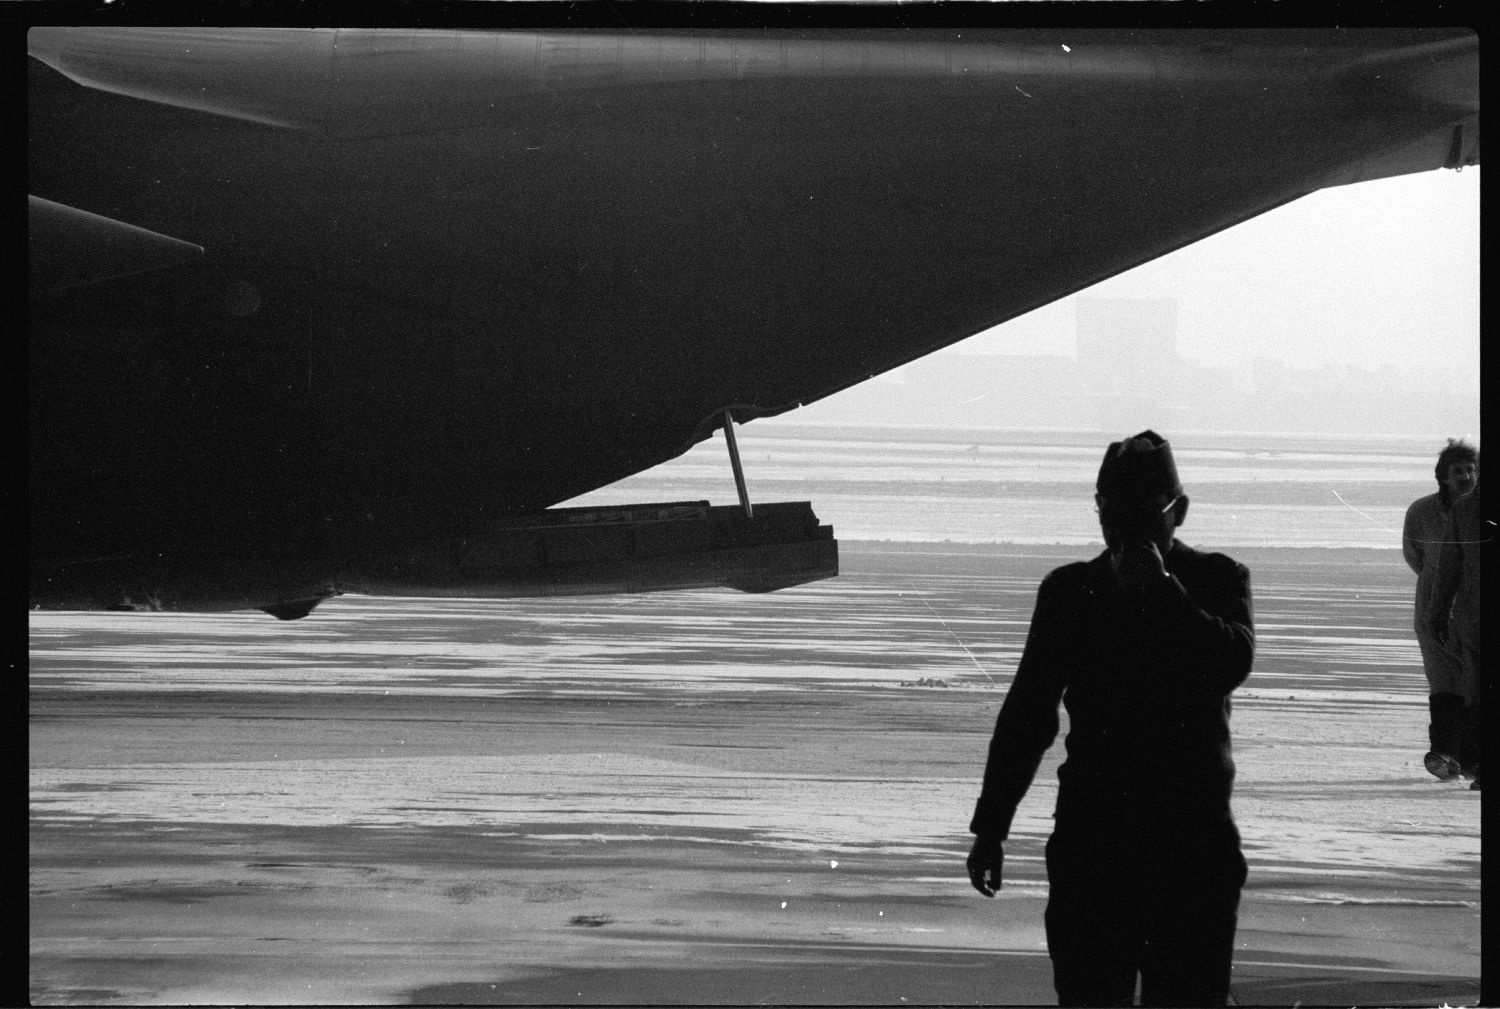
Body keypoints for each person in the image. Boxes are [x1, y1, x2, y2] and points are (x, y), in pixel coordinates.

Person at [966, 430, 1253, 1007]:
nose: (1122, 532)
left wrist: (1161, 591)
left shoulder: (1218, 580)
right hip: (1095, 846)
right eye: (1110, 515)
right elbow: (1027, 714)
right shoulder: (1070, 592)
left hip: (1189, 846)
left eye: (1141, 517)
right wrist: (991, 826)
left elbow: (1229, 663)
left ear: (1180, 514)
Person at [1401, 439, 1479, 780]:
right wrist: (1437, 593)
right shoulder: (1421, 512)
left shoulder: (1480, 510)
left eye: (1471, 469)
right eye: (1458, 470)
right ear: (1443, 477)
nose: (1466, 475)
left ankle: (1468, 756)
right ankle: (1444, 753)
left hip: (1472, 607)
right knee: (1442, 680)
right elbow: (1415, 557)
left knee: (1472, 682)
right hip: (1433, 604)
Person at [1428, 475, 1482, 790]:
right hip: (1474, 618)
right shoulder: (1465, 509)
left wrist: (1438, 614)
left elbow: (1448, 568)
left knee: (1477, 692)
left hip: (1473, 616)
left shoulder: (1465, 509)